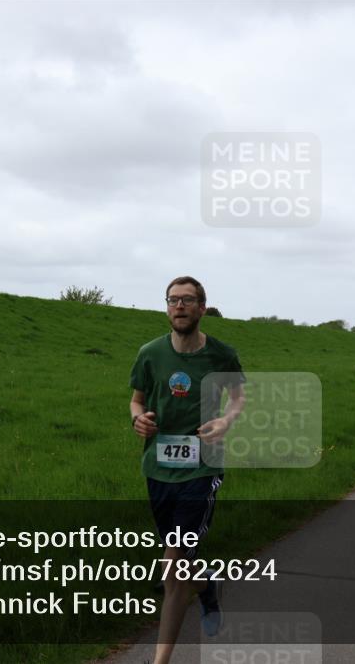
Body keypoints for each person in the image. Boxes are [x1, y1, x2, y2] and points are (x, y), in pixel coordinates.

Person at [129, 276, 246, 664]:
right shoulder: (150, 353)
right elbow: (136, 401)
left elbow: (238, 398)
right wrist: (138, 420)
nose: (178, 306)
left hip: (201, 467)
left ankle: (159, 661)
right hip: (158, 468)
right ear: (167, 307)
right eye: (172, 300)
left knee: (173, 565)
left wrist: (226, 422)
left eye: (187, 300)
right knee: (180, 559)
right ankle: (207, 586)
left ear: (201, 307)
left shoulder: (221, 355)